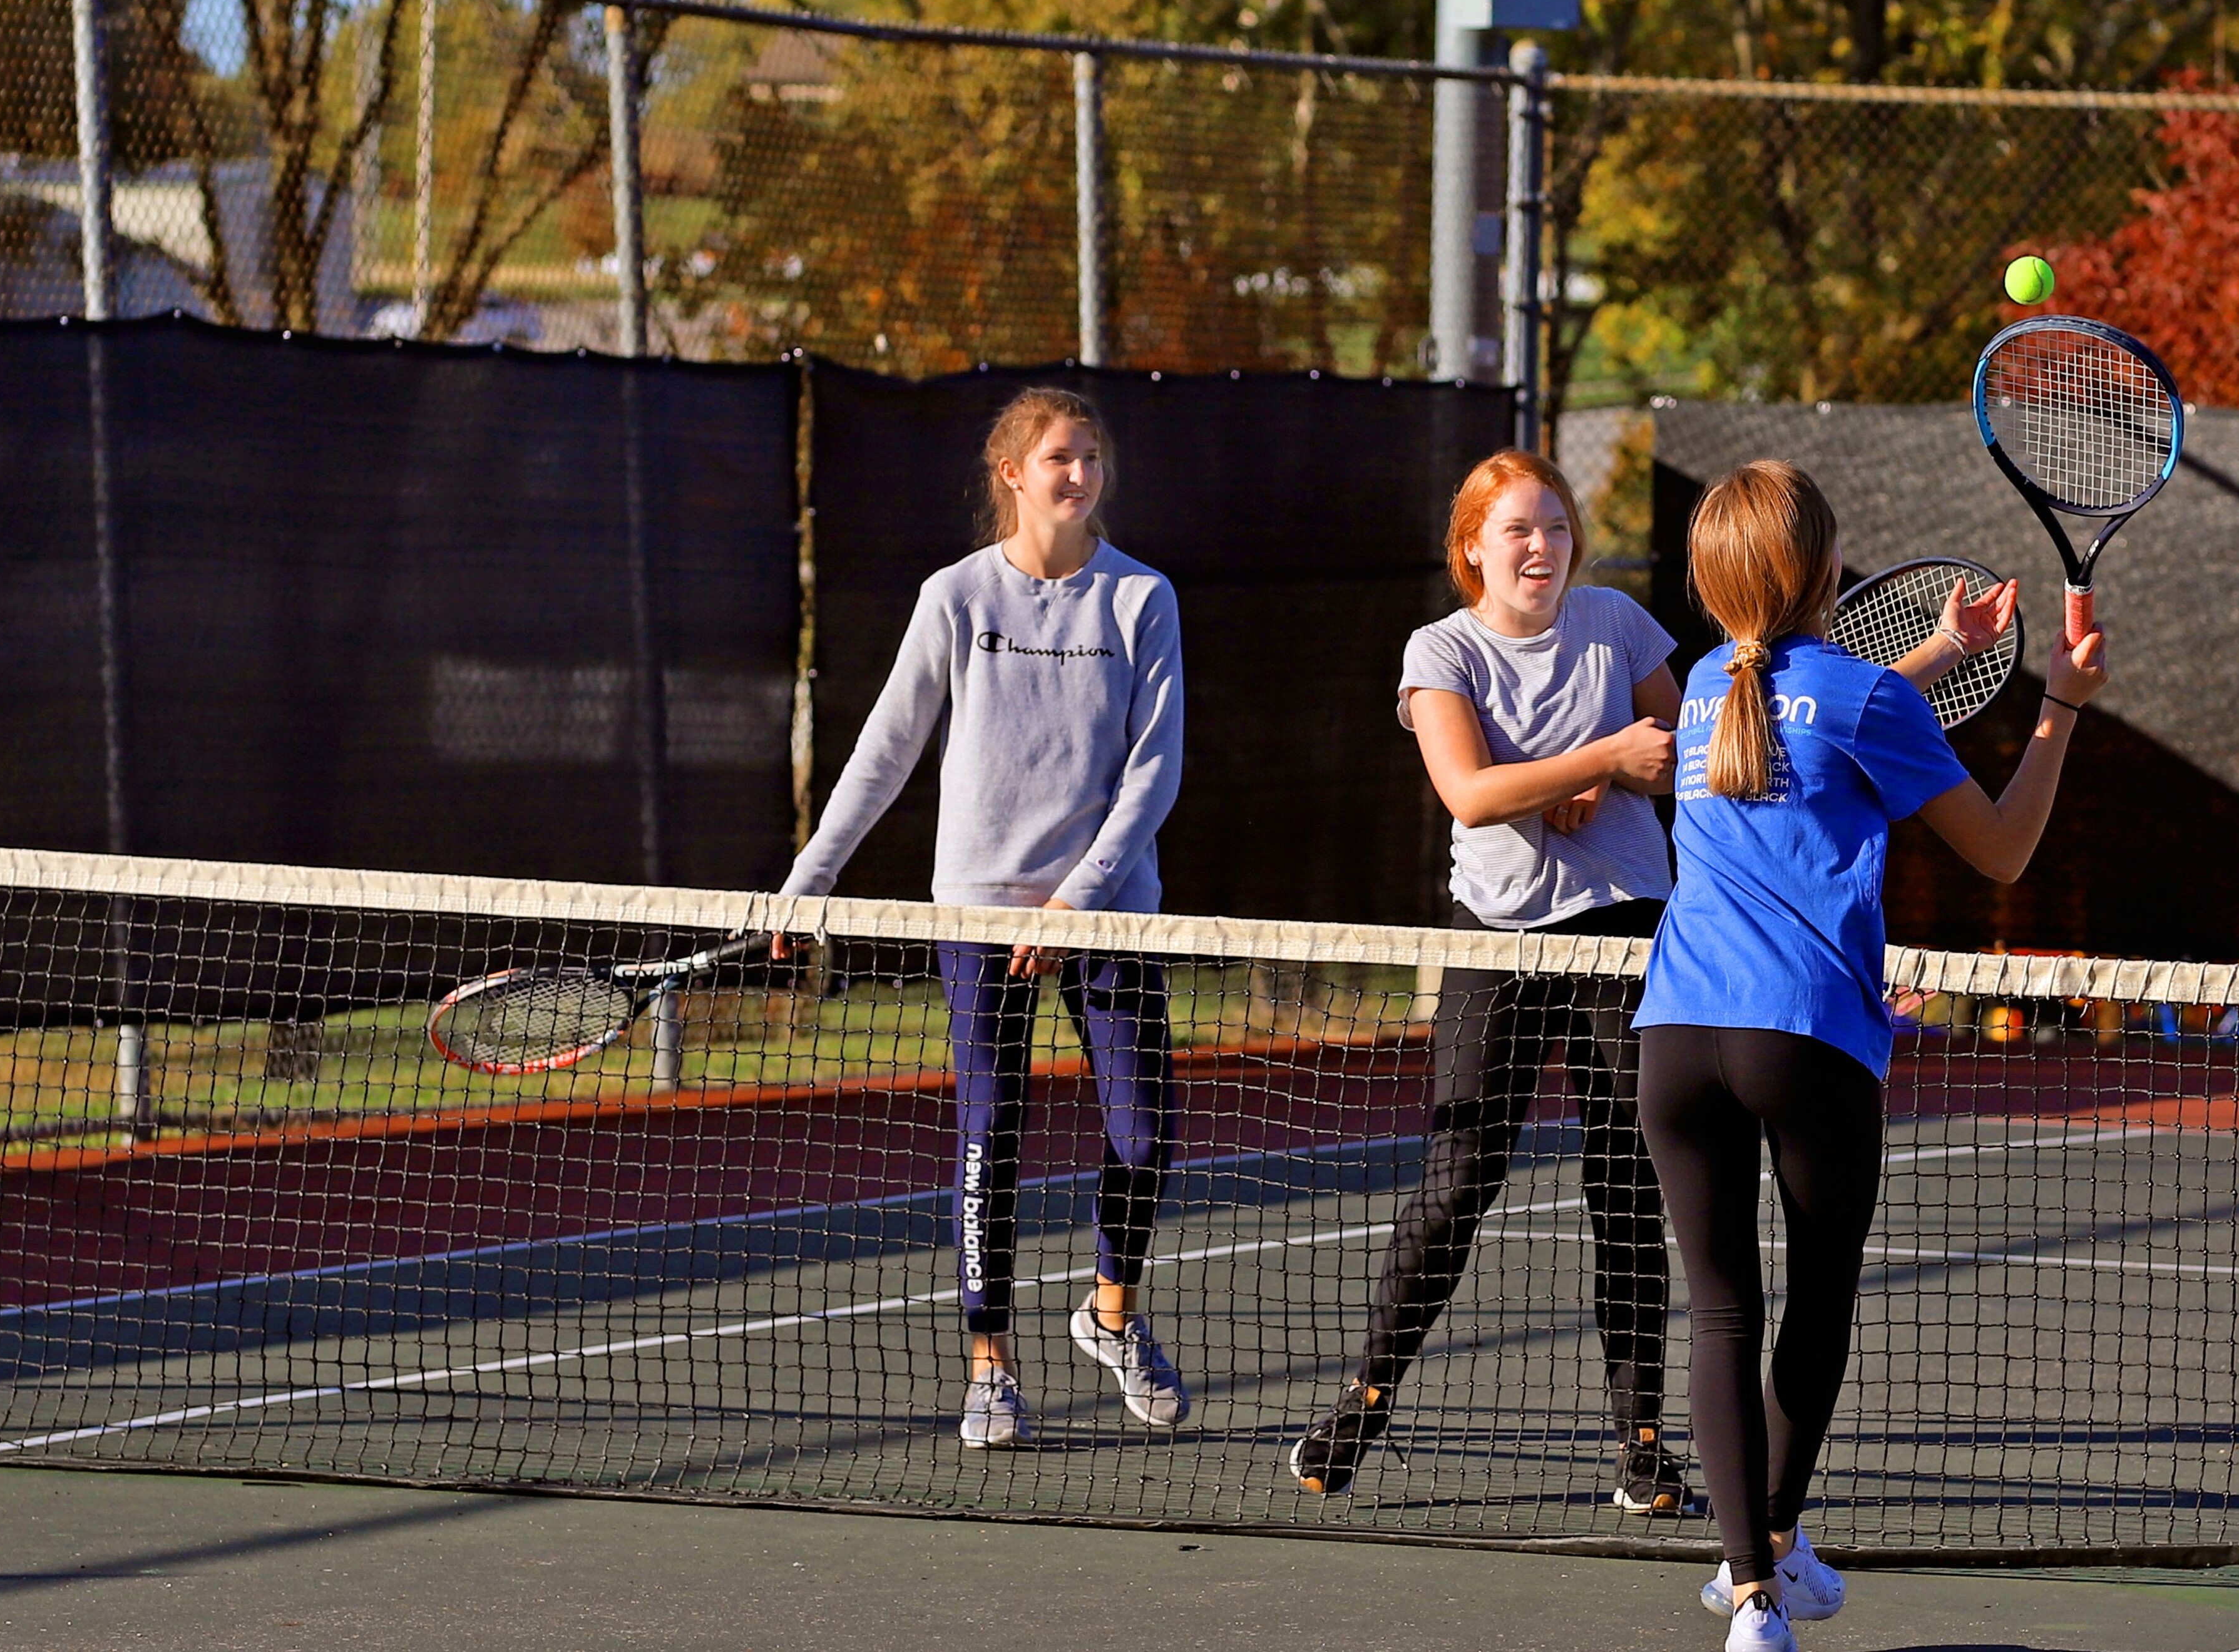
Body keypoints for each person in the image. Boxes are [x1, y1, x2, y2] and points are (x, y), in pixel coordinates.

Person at [1294, 449, 2012, 1516]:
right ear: (1472, 547)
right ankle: (1365, 1398)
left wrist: (1941, 649)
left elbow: (1743, 731)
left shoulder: (1618, 625)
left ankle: (1640, 1441)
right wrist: (1596, 762)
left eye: (1555, 525)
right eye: (1517, 529)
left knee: (1626, 1189)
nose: (1541, 545)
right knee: (1458, 1177)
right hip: (1498, 942)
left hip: (1631, 937)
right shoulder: (1440, 649)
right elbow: (1469, 792)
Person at [1635, 461, 2101, 1652]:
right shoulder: (1855, 698)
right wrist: (2059, 707)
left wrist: (1942, 650)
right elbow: (2001, 850)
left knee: (1719, 1313)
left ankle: (1751, 1592)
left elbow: (1811, 716)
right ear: (1827, 569)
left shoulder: (1707, 684)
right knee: (1818, 1297)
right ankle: (1772, 1545)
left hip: (1674, 1040)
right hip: (1803, 1038)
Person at [777, 385, 1190, 1447]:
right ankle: (990, 1364)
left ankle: (1110, 1315)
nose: (1079, 475)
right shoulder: (955, 597)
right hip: (977, 909)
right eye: (1059, 457)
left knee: (1144, 1135)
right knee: (988, 1135)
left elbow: (1153, 772)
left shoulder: (1140, 598)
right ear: (1011, 473)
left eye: (1090, 456)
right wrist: (811, 878)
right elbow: (886, 748)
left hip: (1105, 913)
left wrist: (1073, 901)